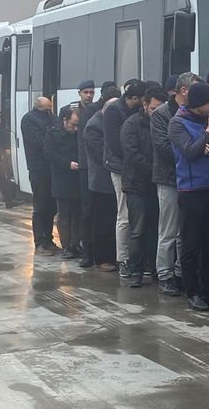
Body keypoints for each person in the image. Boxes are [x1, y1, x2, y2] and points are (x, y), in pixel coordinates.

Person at [169, 82, 209, 311]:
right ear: (197, 104)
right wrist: (208, 132)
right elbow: (190, 152)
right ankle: (192, 291)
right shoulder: (177, 123)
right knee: (191, 244)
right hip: (191, 190)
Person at [152, 72, 200, 296]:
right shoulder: (161, 114)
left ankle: (181, 272)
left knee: (186, 230)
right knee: (168, 230)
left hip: (189, 179)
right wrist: (191, 152)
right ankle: (165, 274)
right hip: (169, 178)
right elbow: (163, 146)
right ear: (183, 91)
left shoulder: (194, 112)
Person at [121, 87, 168, 287]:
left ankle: (154, 268)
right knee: (138, 230)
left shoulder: (163, 122)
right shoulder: (131, 125)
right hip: (137, 184)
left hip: (157, 183)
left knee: (156, 229)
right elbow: (132, 154)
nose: (156, 112)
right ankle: (136, 270)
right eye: (153, 109)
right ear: (145, 105)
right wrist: (155, 170)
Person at [103, 79, 146, 277]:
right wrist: (135, 155)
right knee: (125, 214)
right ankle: (123, 259)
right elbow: (115, 144)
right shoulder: (113, 112)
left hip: (135, 166)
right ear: (134, 98)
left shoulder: (134, 110)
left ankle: (136, 258)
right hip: (120, 168)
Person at [84, 96, 120, 272]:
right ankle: (102, 258)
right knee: (103, 222)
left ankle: (115, 256)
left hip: (115, 179)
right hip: (102, 182)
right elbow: (102, 153)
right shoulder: (94, 125)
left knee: (115, 219)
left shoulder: (109, 121)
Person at [21, 97, 60, 255]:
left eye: (50, 109)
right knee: (40, 205)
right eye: (46, 109)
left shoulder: (52, 118)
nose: (49, 112)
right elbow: (38, 141)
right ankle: (40, 242)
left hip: (52, 167)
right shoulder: (29, 120)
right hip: (38, 167)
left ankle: (49, 240)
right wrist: (54, 140)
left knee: (51, 206)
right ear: (38, 107)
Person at [44, 107, 82, 259]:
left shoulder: (78, 133)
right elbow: (49, 154)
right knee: (64, 214)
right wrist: (67, 164)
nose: (75, 128)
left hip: (78, 178)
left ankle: (76, 244)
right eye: (73, 125)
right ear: (65, 120)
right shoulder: (53, 134)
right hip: (62, 178)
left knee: (77, 214)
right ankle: (66, 246)